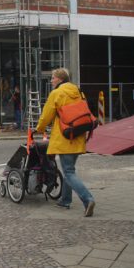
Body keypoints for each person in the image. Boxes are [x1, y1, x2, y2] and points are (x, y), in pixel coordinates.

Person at [36, 68, 95, 217]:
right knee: (69, 170)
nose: (51, 80)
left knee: (69, 172)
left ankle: (88, 199)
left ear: (60, 79)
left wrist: (39, 128)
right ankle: (65, 200)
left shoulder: (57, 93)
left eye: (53, 78)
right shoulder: (78, 91)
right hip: (79, 136)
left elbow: (46, 115)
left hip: (65, 137)